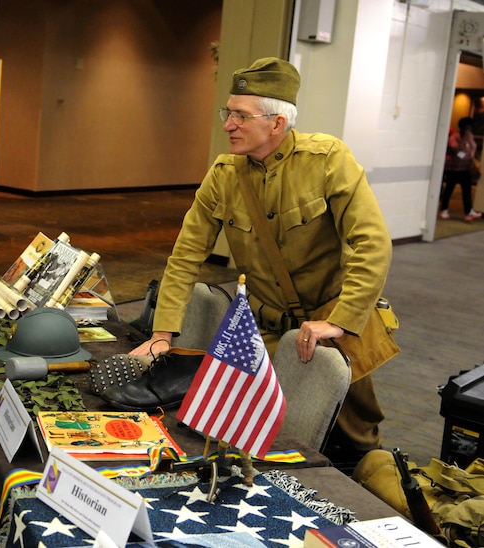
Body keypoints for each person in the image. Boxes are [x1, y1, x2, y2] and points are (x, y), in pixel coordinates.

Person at [102, 57, 394, 466]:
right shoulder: (224, 175)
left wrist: (340, 321)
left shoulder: (327, 160)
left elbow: (372, 243)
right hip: (265, 331)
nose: (227, 125)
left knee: (358, 436)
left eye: (240, 115)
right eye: (228, 112)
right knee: (267, 437)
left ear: (277, 123)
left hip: (333, 328)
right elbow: (186, 254)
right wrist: (162, 332)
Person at [439, 117, 482, 222]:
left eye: (470, 127)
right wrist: (464, 140)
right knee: (449, 189)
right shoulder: (454, 137)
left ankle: (469, 211)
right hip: (453, 168)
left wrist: (469, 141)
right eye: (467, 127)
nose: (469, 130)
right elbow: (458, 151)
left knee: (467, 190)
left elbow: (472, 149)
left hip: (465, 168)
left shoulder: (470, 137)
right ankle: (444, 209)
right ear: (462, 127)